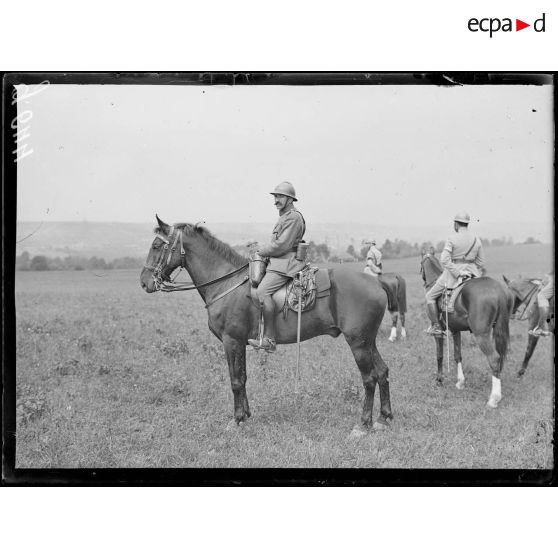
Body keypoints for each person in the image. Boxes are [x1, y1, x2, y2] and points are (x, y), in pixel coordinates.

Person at [248, 181, 306, 353]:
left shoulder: (293, 217)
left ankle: (269, 340)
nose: (276, 200)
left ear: (290, 199)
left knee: (262, 292)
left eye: (280, 196)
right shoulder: (284, 216)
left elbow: (282, 245)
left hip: (286, 264)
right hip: (278, 262)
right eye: (275, 196)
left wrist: (262, 250)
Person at [425, 211, 485, 336]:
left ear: (456, 224)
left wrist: (458, 272)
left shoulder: (452, 238)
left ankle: (436, 326)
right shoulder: (476, 239)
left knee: (430, 296)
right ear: (467, 224)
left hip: (453, 274)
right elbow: (480, 262)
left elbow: (444, 260)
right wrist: (471, 270)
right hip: (473, 274)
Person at [529, 271, 554, 337]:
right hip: (542, 297)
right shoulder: (550, 282)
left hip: (543, 296)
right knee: (545, 311)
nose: (548, 279)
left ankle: (541, 328)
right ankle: (540, 328)